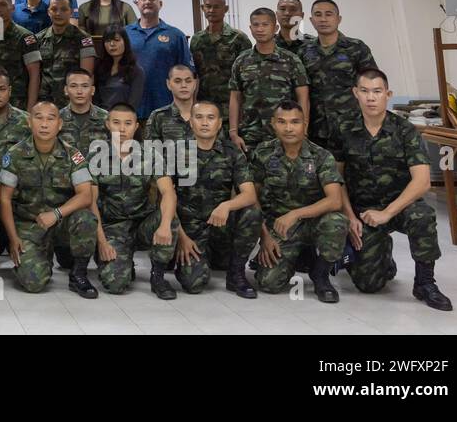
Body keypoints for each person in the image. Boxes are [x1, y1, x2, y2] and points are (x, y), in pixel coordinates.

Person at [337, 69, 451, 310]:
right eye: (365, 91)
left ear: (387, 94)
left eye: (377, 92)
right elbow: (337, 180)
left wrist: (388, 213)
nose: (371, 98)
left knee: (423, 215)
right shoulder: (344, 129)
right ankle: (382, 257)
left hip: (399, 206)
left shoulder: (404, 129)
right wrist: (349, 217)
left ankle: (425, 282)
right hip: (363, 212)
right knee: (369, 285)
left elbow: (422, 181)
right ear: (355, 93)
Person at [251, 101, 346, 303]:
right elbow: (252, 198)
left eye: (295, 122)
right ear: (273, 124)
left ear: (305, 123)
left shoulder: (320, 156)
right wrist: (265, 237)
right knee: (268, 283)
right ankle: (297, 256)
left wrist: (295, 213)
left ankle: (321, 274)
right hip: (279, 226)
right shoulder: (263, 153)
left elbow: (335, 200)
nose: (288, 128)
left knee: (336, 220)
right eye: (282, 122)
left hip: (313, 222)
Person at [0, 101, 98, 296]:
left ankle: (78, 274)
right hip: (30, 225)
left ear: (59, 124)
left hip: (61, 223)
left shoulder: (73, 155)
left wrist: (56, 213)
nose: (44, 124)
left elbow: (86, 195)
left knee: (86, 218)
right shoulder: (15, 155)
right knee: (34, 283)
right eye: (39, 118)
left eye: (50, 119)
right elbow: (4, 200)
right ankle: (40, 257)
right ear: (30, 122)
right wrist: (13, 238)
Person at [172, 100, 261, 298]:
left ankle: (236, 274)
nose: (205, 123)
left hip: (220, 225)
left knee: (252, 212)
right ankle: (200, 259)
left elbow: (249, 194)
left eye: (210, 118)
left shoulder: (232, 152)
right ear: (191, 123)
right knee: (193, 284)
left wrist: (226, 205)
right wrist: (181, 238)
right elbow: (164, 200)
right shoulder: (175, 152)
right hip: (190, 229)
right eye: (199, 117)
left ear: (219, 123)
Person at [91, 103, 180, 299]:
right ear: (107, 124)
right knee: (115, 285)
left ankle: (158, 276)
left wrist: (164, 225)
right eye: (116, 123)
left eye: (128, 123)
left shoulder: (150, 155)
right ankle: (120, 261)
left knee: (169, 217)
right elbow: (90, 203)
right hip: (113, 227)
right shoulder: (96, 156)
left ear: (136, 126)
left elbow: (168, 193)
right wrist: (102, 242)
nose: (122, 129)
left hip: (142, 224)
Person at [300, 0, 378, 151]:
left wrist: (373, 121)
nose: (323, 19)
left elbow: (372, 85)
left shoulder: (356, 48)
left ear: (338, 19)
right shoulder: (304, 51)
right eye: (318, 14)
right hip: (317, 130)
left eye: (329, 14)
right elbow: (302, 91)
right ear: (311, 20)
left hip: (352, 127)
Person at [229, 8, 310, 153]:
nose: (260, 29)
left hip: (285, 134)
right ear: (250, 28)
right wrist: (233, 132)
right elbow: (235, 98)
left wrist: (303, 128)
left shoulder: (291, 59)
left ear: (275, 28)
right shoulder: (241, 60)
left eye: (265, 25)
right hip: (250, 135)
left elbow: (303, 97)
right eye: (256, 25)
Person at [125, 0, 191, 120]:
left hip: (166, 109)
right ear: (137, 3)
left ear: (160, 4)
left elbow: (187, 73)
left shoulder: (176, 35)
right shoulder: (125, 33)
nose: (147, 2)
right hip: (131, 108)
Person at [189, 0, 252, 113]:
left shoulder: (238, 38)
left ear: (226, 9)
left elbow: (247, 76)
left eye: (217, 7)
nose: (212, 10)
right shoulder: (197, 39)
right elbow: (194, 74)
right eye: (208, 6)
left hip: (232, 107)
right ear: (202, 8)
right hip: (204, 106)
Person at [35, 0, 95, 108]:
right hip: (44, 103)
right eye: (54, 9)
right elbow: (35, 75)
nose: (58, 13)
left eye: (63, 9)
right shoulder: (39, 39)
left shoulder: (83, 39)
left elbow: (87, 75)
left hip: (71, 103)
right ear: (48, 12)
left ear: (71, 12)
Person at [144, 64, 202, 143]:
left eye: (188, 81)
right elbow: (151, 152)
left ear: (195, 84)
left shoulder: (207, 115)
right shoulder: (158, 116)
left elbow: (220, 149)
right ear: (168, 84)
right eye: (178, 81)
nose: (184, 85)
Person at [93, 24, 145, 111]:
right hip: (100, 119)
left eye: (116, 40)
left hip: (123, 119)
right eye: (108, 41)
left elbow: (133, 104)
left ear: (125, 42)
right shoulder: (98, 67)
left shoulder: (136, 71)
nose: (112, 44)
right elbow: (95, 99)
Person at [60, 68, 109, 150]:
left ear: (92, 90)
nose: (79, 91)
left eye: (85, 86)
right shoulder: (56, 119)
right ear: (66, 90)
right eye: (73, 86)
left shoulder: (107, 118)